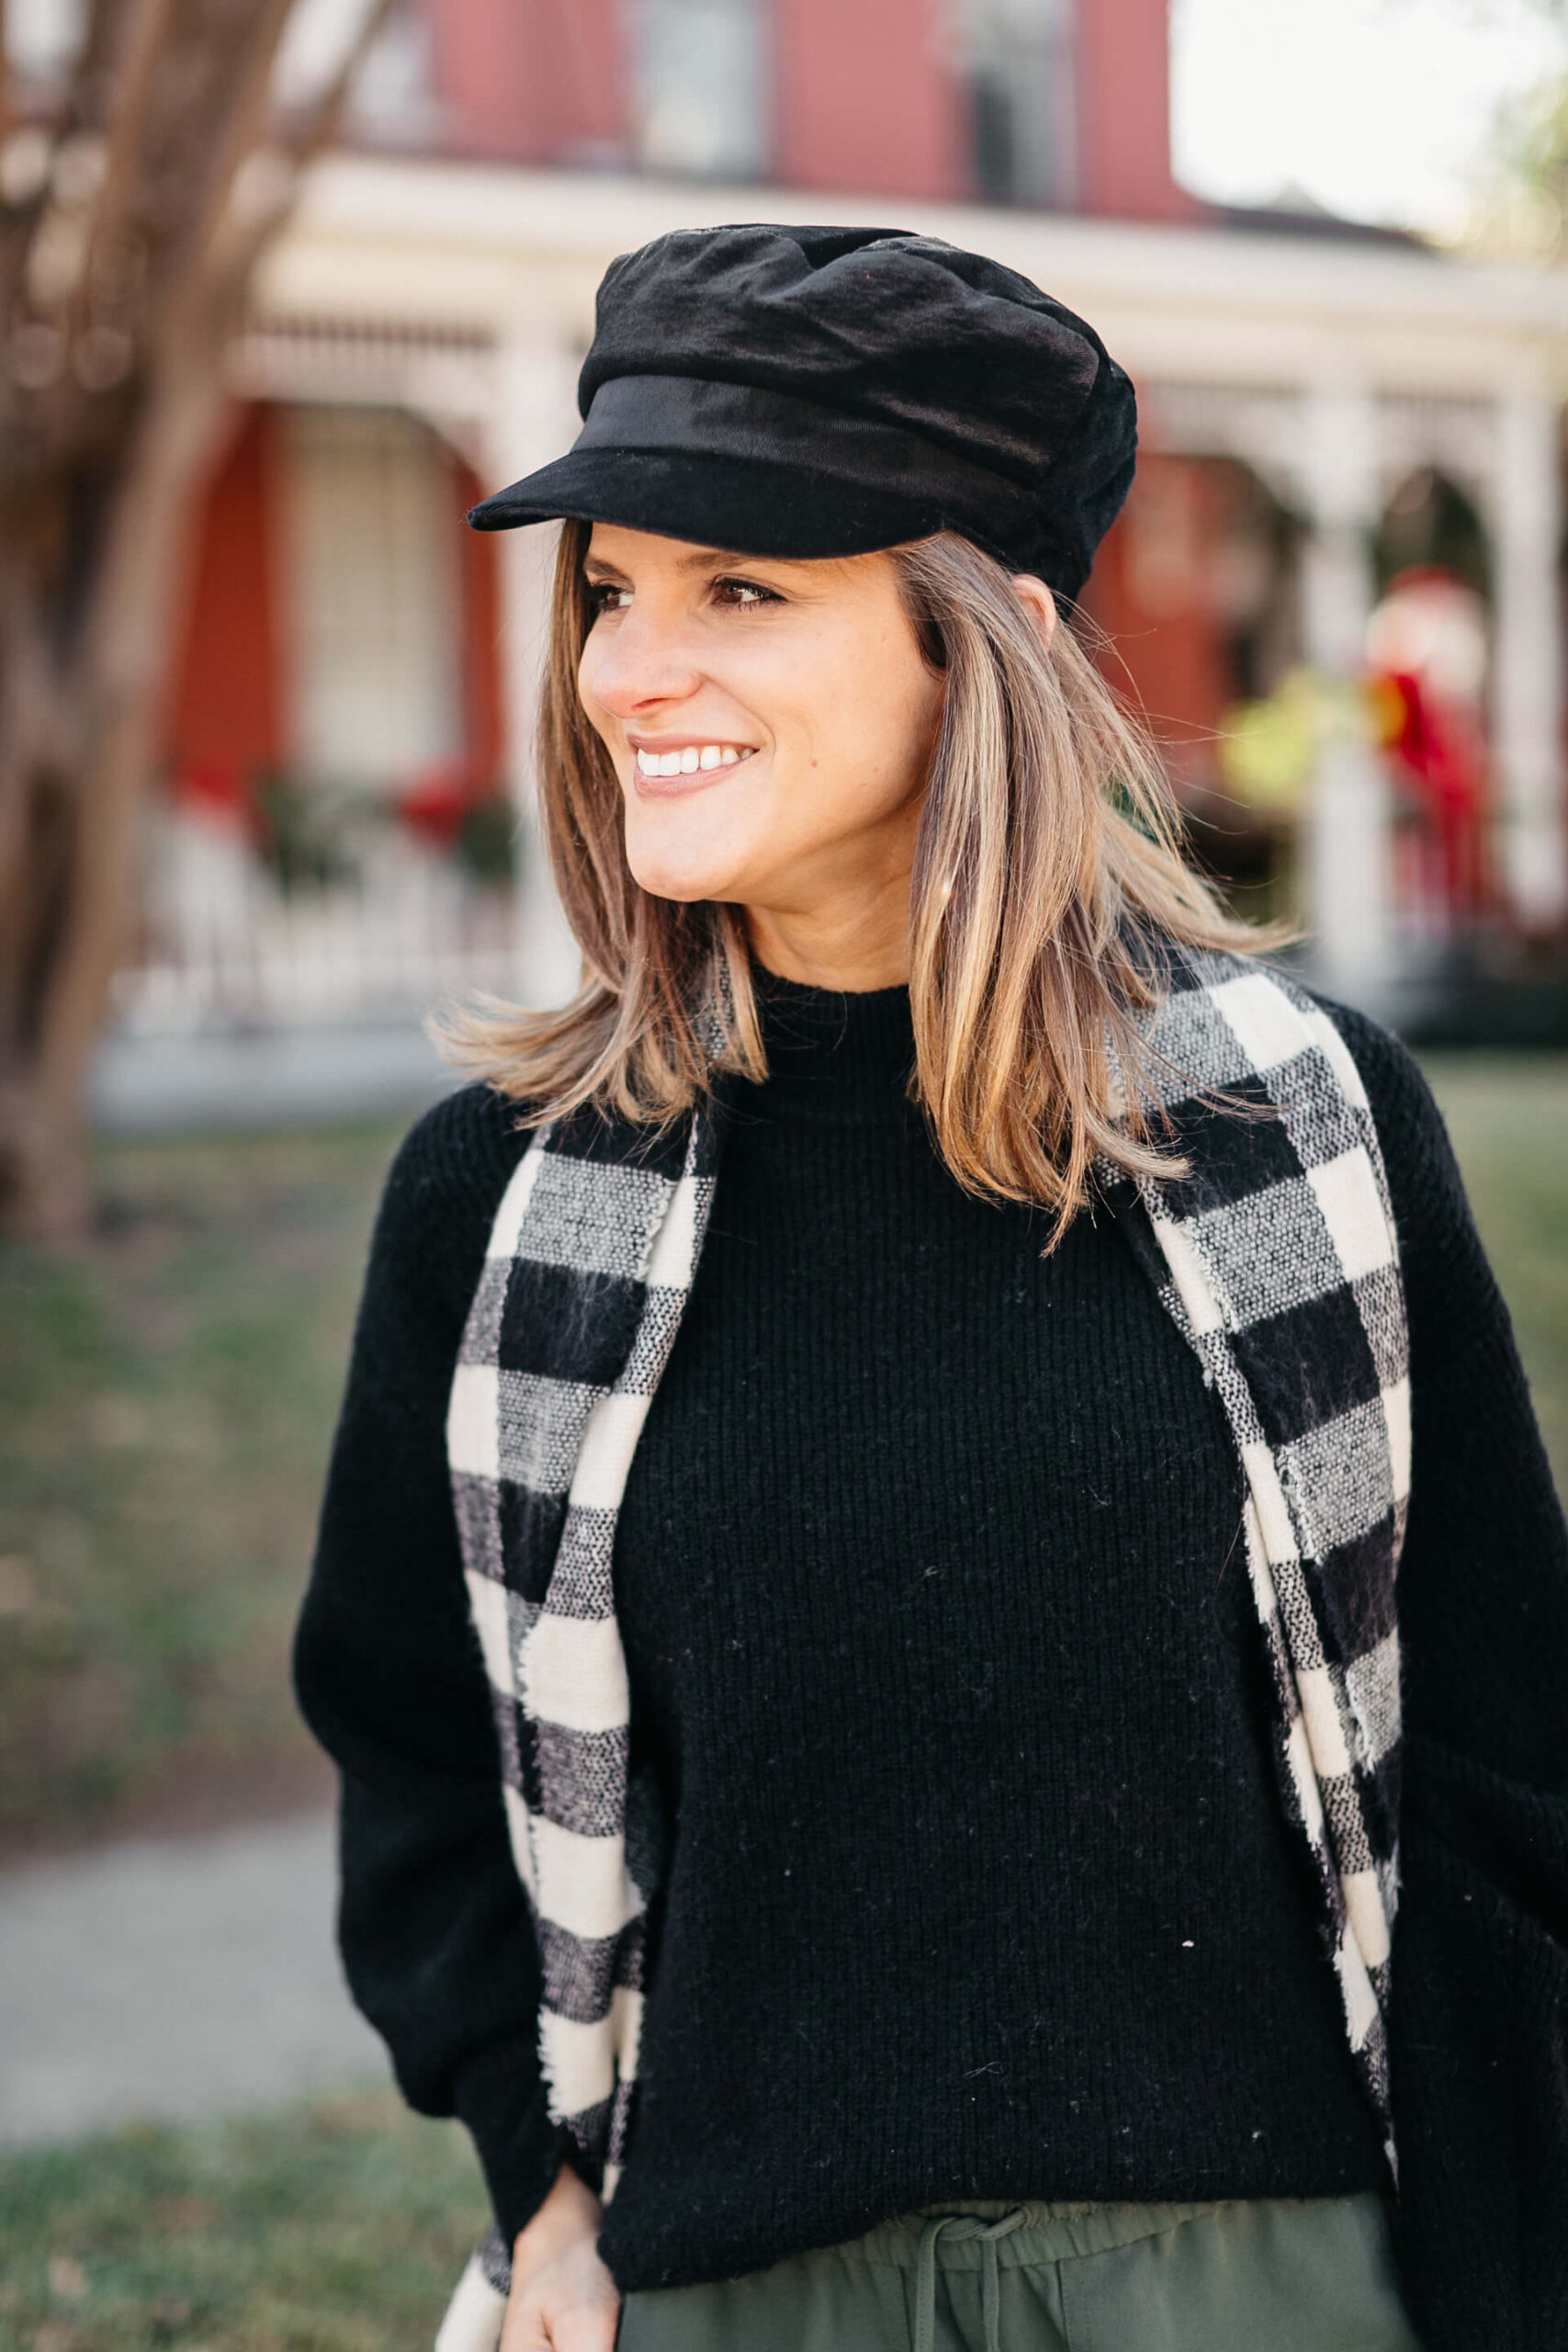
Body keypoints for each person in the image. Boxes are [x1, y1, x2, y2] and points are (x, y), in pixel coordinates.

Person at [293, 225, 1568, 2352]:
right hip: (729, 2284)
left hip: (1247, 2280)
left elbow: (1496, 1773)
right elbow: (411, 1749)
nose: (628, 671)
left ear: (983, 635)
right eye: (612, 589)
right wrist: (537, 2190)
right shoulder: (503, 1201)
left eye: (742, 588)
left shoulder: (1297, 1134)